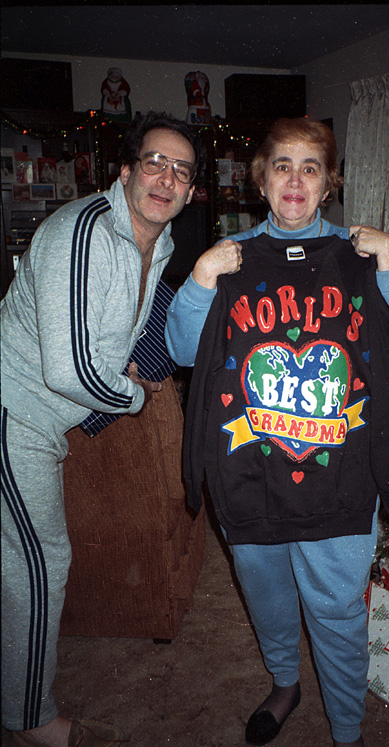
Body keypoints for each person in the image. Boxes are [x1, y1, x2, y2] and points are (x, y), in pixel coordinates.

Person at [165, 118, 389, 747]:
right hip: (250, 471)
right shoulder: (230, 261)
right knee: (268, 594)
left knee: (335, 612)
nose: (296, 178)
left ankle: (348, 732)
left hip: (339, 478)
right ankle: (285, 684)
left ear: (329, 183)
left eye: (311, 166)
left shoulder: (360, 258)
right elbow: (179, 348)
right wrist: (200, 282)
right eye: (282, 164)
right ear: (262, 179)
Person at [1, 111, 199, 747]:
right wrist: (134, 399)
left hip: (40, 421)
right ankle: (29, 718)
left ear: (192, 191)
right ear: (125, 171)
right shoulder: (82, 230)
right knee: (39, 562)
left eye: (181, 171)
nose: (166, 178)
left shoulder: (158, 246)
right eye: (155, 163)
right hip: (12, 410)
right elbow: (70, 368)